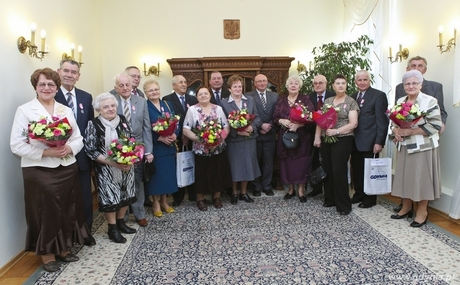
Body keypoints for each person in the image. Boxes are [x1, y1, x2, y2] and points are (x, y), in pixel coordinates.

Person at [10, 68, 89, 272]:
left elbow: (78, 138)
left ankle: (63, 249)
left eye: (51, 84)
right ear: (35, 87)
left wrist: (69, 148)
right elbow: (16, 145)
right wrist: (46, 154)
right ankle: (47, 254)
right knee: (45, 211)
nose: (47, 88)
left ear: (57, 87)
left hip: (66, 166)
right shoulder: (25, 110)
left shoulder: (65, 109)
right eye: (42, 84)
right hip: (38, 170)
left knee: (66, 208)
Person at [393, 56, 447, 213]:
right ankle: (406, 207)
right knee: (406, 177)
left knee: (422, 179)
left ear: (421, 84)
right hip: (404, 146)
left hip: (423, 147)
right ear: (404, 86)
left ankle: (422, 211)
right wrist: (396, 131)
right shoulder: (401, 101)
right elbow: (393, 122)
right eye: (407, 84)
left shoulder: (429, 101)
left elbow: (436, 124)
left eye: (414, 83)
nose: (411, 86)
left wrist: (411, 131)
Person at [84, 93, 138, 243]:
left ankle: (121, 222)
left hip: (126, 166)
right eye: (106, 106)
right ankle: (112, 228)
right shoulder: (93, 124)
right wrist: (113, 162)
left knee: (126, 195)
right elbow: (90, 150)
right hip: (106, 169)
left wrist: (130, 157)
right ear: (99, 109)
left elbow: (131, 139)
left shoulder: (123, 120)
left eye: (112, 105)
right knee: (110, 198)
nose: (110, 109)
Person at [55, 59, 96, 247]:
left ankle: (85, 231)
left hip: (82, 158)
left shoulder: (86, 97)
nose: (70, 75)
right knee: (64, 198)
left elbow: (89, 128)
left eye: (74, 72)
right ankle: (67, 234)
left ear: (78, 76)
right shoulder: (51, 96)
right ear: (59, 72)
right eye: (66, 71)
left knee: (85, 197)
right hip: (59, 157)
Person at [313, 74, 359, 215]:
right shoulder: (328, 100)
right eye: (337, 83)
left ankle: (344, 205)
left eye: (343, 83)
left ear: (346, 85)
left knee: (339, 170)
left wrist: (336, 131)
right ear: (332, 86)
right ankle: (330, 199)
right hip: (327, 138)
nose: (340, 85)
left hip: (344, 138)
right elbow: (321, 120)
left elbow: (353, 123)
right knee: (328, 169)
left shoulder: (351, 101)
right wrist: (317, 137)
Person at [113, 72, 154, 227]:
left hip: (137, 147)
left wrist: (148, 150)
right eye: (121, 85)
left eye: (127, 84)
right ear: (116, 87)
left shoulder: (141, 101)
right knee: (120, 182)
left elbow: (146, 127)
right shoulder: (111, 101)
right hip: (118, 148)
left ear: (132, 86)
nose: (125, 88)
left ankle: (139, 213)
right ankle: (122, 218)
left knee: (137, 182)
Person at [183, 86, 232, 210]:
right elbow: (186, 129)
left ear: (210, 95)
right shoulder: (192, 110)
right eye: (200, 94)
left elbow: (226, 126)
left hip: (218, 147)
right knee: (201, 174)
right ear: (197, 96)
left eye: (206, 93)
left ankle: (217, 197)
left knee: (218, 172)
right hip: (200, 149)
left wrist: (219, 139)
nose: (203, 96)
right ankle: (200, 199)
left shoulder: (218, 109)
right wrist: (202, 140)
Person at [350, 70, 389, 208]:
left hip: (371, 141)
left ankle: (370, 199)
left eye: (365, 79)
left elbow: (382, 121)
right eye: (359, 80)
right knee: (357, 169)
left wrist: (379, 141)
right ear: (355, 82)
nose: (362, 82)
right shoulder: (352, 96)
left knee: (370, 171)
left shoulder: (379, 96)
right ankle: (359, 193)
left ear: (369, 80)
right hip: (354, 141)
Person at [273, 75, 315, 203]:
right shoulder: (281, 100)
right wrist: (282, 120)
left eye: (296, 83)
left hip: (302, 139)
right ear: (287, 86)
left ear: (299, 86)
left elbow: (312, 117)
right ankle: (290, 189)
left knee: (301, 164)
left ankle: (301, 190)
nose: (293, 85)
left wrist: (299, 125)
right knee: (287, 164)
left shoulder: (305, 99)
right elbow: (274, 117)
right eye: (291, 83)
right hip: (285, 138)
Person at [221, 75, 261, 204]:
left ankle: (243, 193)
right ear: (229, 88)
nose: (238, 89)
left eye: (240, 86)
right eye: (235, 86)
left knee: (248, 167)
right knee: (235, 167)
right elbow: (222, 123)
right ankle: (234, 193)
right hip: (234, 141)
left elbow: (258, 118)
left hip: (249, 140)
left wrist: (252, 128)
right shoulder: (223, 103)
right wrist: (237, 131)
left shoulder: (250, 100)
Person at [144, 79, 177, 217]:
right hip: (156, 148)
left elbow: (176, 121)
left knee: (167, 177)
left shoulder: (167, 104)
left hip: (169, 148)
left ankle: (164, 201)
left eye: (156, 89)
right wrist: (159, 138)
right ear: (146, 93)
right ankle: (155, 202)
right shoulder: (144, 106)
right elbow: (144, 128)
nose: (154, 92)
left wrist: (175, 134)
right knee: (156, 178)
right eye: (151, 90)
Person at [163, 75, 198, 206]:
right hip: (175, 140)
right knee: (178, 167)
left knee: (192, 164)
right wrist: (179, 135)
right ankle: (178, 196)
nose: (184, 84)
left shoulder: (193, 99)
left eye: (185, 82)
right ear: (174, 86)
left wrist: (189, 135)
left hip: (192, 139)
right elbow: (167, 119)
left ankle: (193, 194)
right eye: (180, 82)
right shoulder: (167, 100)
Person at [245, 74, 279, 197]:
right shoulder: (248, 96)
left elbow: (277, 113)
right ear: (255, 83)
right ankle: (256, 187)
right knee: (256, 161)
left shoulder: (275, 96)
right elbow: (247, 115)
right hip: (255, 135)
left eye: (264, 81)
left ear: (267, 82)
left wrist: (269, 125)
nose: (262, 83)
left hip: (270, 134)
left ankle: (267, 186)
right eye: (259, 81)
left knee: (268, 162)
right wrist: (260, 126)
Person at [307, 75, 335, 197]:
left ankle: (329, 189)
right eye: (315, 83)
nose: (318, 85)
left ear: (326, 84)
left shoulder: (333, 96)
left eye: (320, 83)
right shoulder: (308, 97)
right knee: (314, 161)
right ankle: (316, 187)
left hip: (330, 133)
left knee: (329, 161)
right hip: (311, 133)